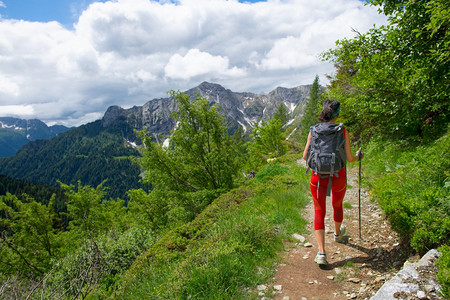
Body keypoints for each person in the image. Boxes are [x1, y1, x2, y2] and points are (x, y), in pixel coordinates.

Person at [302, 100, 363, 265]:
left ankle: (321, 253)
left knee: (319, 210)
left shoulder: (313, 131)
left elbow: (304, 156)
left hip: (317, 176)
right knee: (337, 204)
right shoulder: (342, 131)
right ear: (337, 114)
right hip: (338, 176)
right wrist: (359, 156)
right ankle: (337, 234)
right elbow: (350, 158)